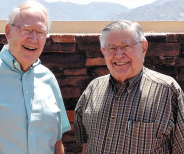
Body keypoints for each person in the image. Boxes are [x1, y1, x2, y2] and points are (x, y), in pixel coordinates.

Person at [0, 0, 71, 154]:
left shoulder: (49, 79)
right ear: (8, 32)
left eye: (40, 32)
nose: (34, 39)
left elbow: (56, 142)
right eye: (26, 29)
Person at [74, 20, 184, 153]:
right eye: (111, 48)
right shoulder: (93, 89)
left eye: (126, 46)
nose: (119, 55)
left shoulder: (167, 91)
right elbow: (86, 145)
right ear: (103, 52)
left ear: (143, 47)